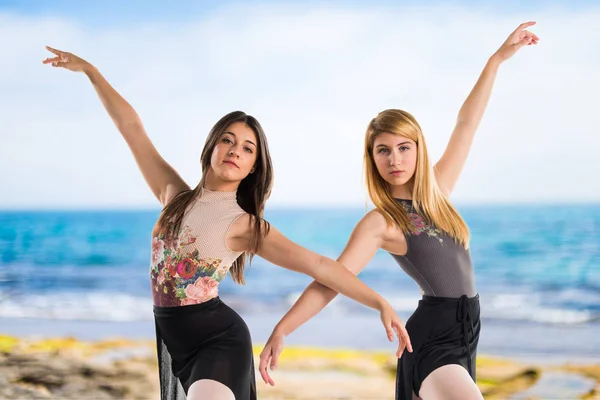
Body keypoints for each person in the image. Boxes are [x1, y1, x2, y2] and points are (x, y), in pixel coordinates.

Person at [41, 48, 411, 400]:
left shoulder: (245, 225)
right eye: (228, 140)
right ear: (211, 147)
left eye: (248, 148)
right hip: (176, 344)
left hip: (219, 343)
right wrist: (92, 72)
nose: (236, 150)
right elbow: (131, 128)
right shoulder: (173, 194)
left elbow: (320, 266)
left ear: (254, 167)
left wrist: (378, 302)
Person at [258, 22, 539, 400]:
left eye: (404, 147)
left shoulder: (437, 191)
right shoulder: (382, 221)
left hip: (467, 336)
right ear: (372, 159)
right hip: (431, 341)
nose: (395, 159)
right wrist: (283, 328)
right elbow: (332, 279)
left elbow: (467, 123)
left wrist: (497, 59)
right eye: (383, 150)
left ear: (418, 149)